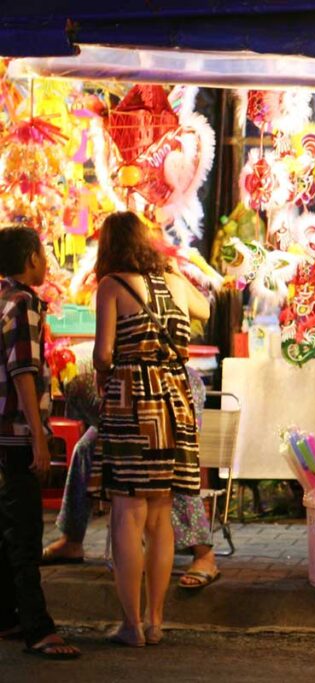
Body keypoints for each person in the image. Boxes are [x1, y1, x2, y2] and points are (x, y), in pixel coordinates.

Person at [92, 211, 210, 646]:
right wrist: (176, 269)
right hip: (174, 401)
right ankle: (158, 621)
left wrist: (107, 365)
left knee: (128, 512)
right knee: (161, 516)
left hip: (133, 402)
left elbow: (104, 354)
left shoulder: (112, 286)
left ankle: (132, 625)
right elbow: (206, 307)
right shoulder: (176, 284)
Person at [41, 368, 221, 589]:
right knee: (86, 448)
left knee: (171, 460)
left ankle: (204, 554)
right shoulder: (82, 381)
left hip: (165, 383)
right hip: (127, 384)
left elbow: (105, 353)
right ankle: (72, 539)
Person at [0, 226, 80, 659]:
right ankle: (37, 628)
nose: (46, 259)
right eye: (43, 252)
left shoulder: (2, 300)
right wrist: (38, 438)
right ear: (30, 258)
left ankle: (8, 616)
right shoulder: (25, 303)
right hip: (17, 433)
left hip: (4, 433)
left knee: (8, 526)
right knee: (26, 531)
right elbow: (23, 372)